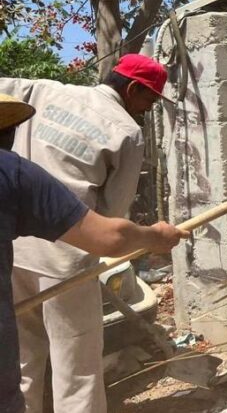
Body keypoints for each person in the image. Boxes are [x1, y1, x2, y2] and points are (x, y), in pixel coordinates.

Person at [0, 53, 173, 413]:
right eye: (150, 99)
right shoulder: (126, 131)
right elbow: (111, 216)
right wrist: (154, 235)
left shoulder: (41, 90)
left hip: (14, 250)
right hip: (68, 256)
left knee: (20, 361)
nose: (148, 108)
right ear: (134, 88)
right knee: (77, 369)